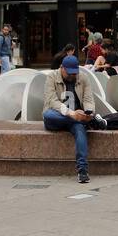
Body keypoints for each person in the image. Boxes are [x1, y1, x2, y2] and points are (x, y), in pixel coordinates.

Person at [42, 54, 98, 183]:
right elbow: (52, 102)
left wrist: (89, 113)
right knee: (48, 115)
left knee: (80, 130)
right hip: (57, 117)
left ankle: (82, 170)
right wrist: (72, 114)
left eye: (75, 73)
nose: (73, 76)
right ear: (62, 68)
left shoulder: (83, 77)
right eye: (69, 73)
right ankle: (85, 121)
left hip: (77, 119)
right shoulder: (51, 77)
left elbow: (88, 99)